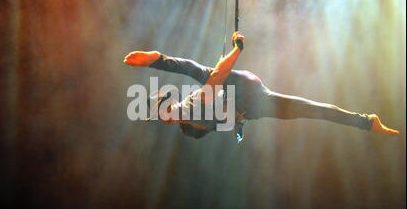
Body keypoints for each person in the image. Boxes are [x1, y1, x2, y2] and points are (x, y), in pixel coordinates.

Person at [123, 32, 400, 142]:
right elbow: (219, 110)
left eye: (167, 110)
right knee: (313, 110)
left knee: (206, 75)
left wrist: (237, 48)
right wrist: (238, 122)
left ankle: (366, 122)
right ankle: (366, 122)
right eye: (167, 116)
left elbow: (215, 75)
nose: (169, 115)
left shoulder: (194, 107)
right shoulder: (193, 122)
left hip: (242, 89)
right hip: (254, 102)